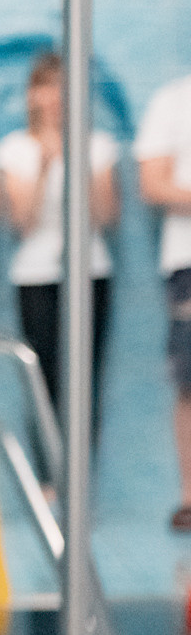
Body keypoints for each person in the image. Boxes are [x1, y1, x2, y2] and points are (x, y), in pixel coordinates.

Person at [0, 51, 118, 458]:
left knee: (85, 376)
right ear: (32, 95)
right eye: (46, 86)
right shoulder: (16, 148)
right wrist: (46, 161)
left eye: (63, 86)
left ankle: (82, 475)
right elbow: (22, 221)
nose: (54, 96)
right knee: (42, 374)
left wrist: (73, 153)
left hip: (90, 271)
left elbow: (105, 215)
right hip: (35, 274)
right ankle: (49, 474)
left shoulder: (97, 145)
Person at [136, 72, 191, 531]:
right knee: (189, 378)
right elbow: (153, 183)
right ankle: (190, 495)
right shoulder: (174, 100)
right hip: (188, 258)